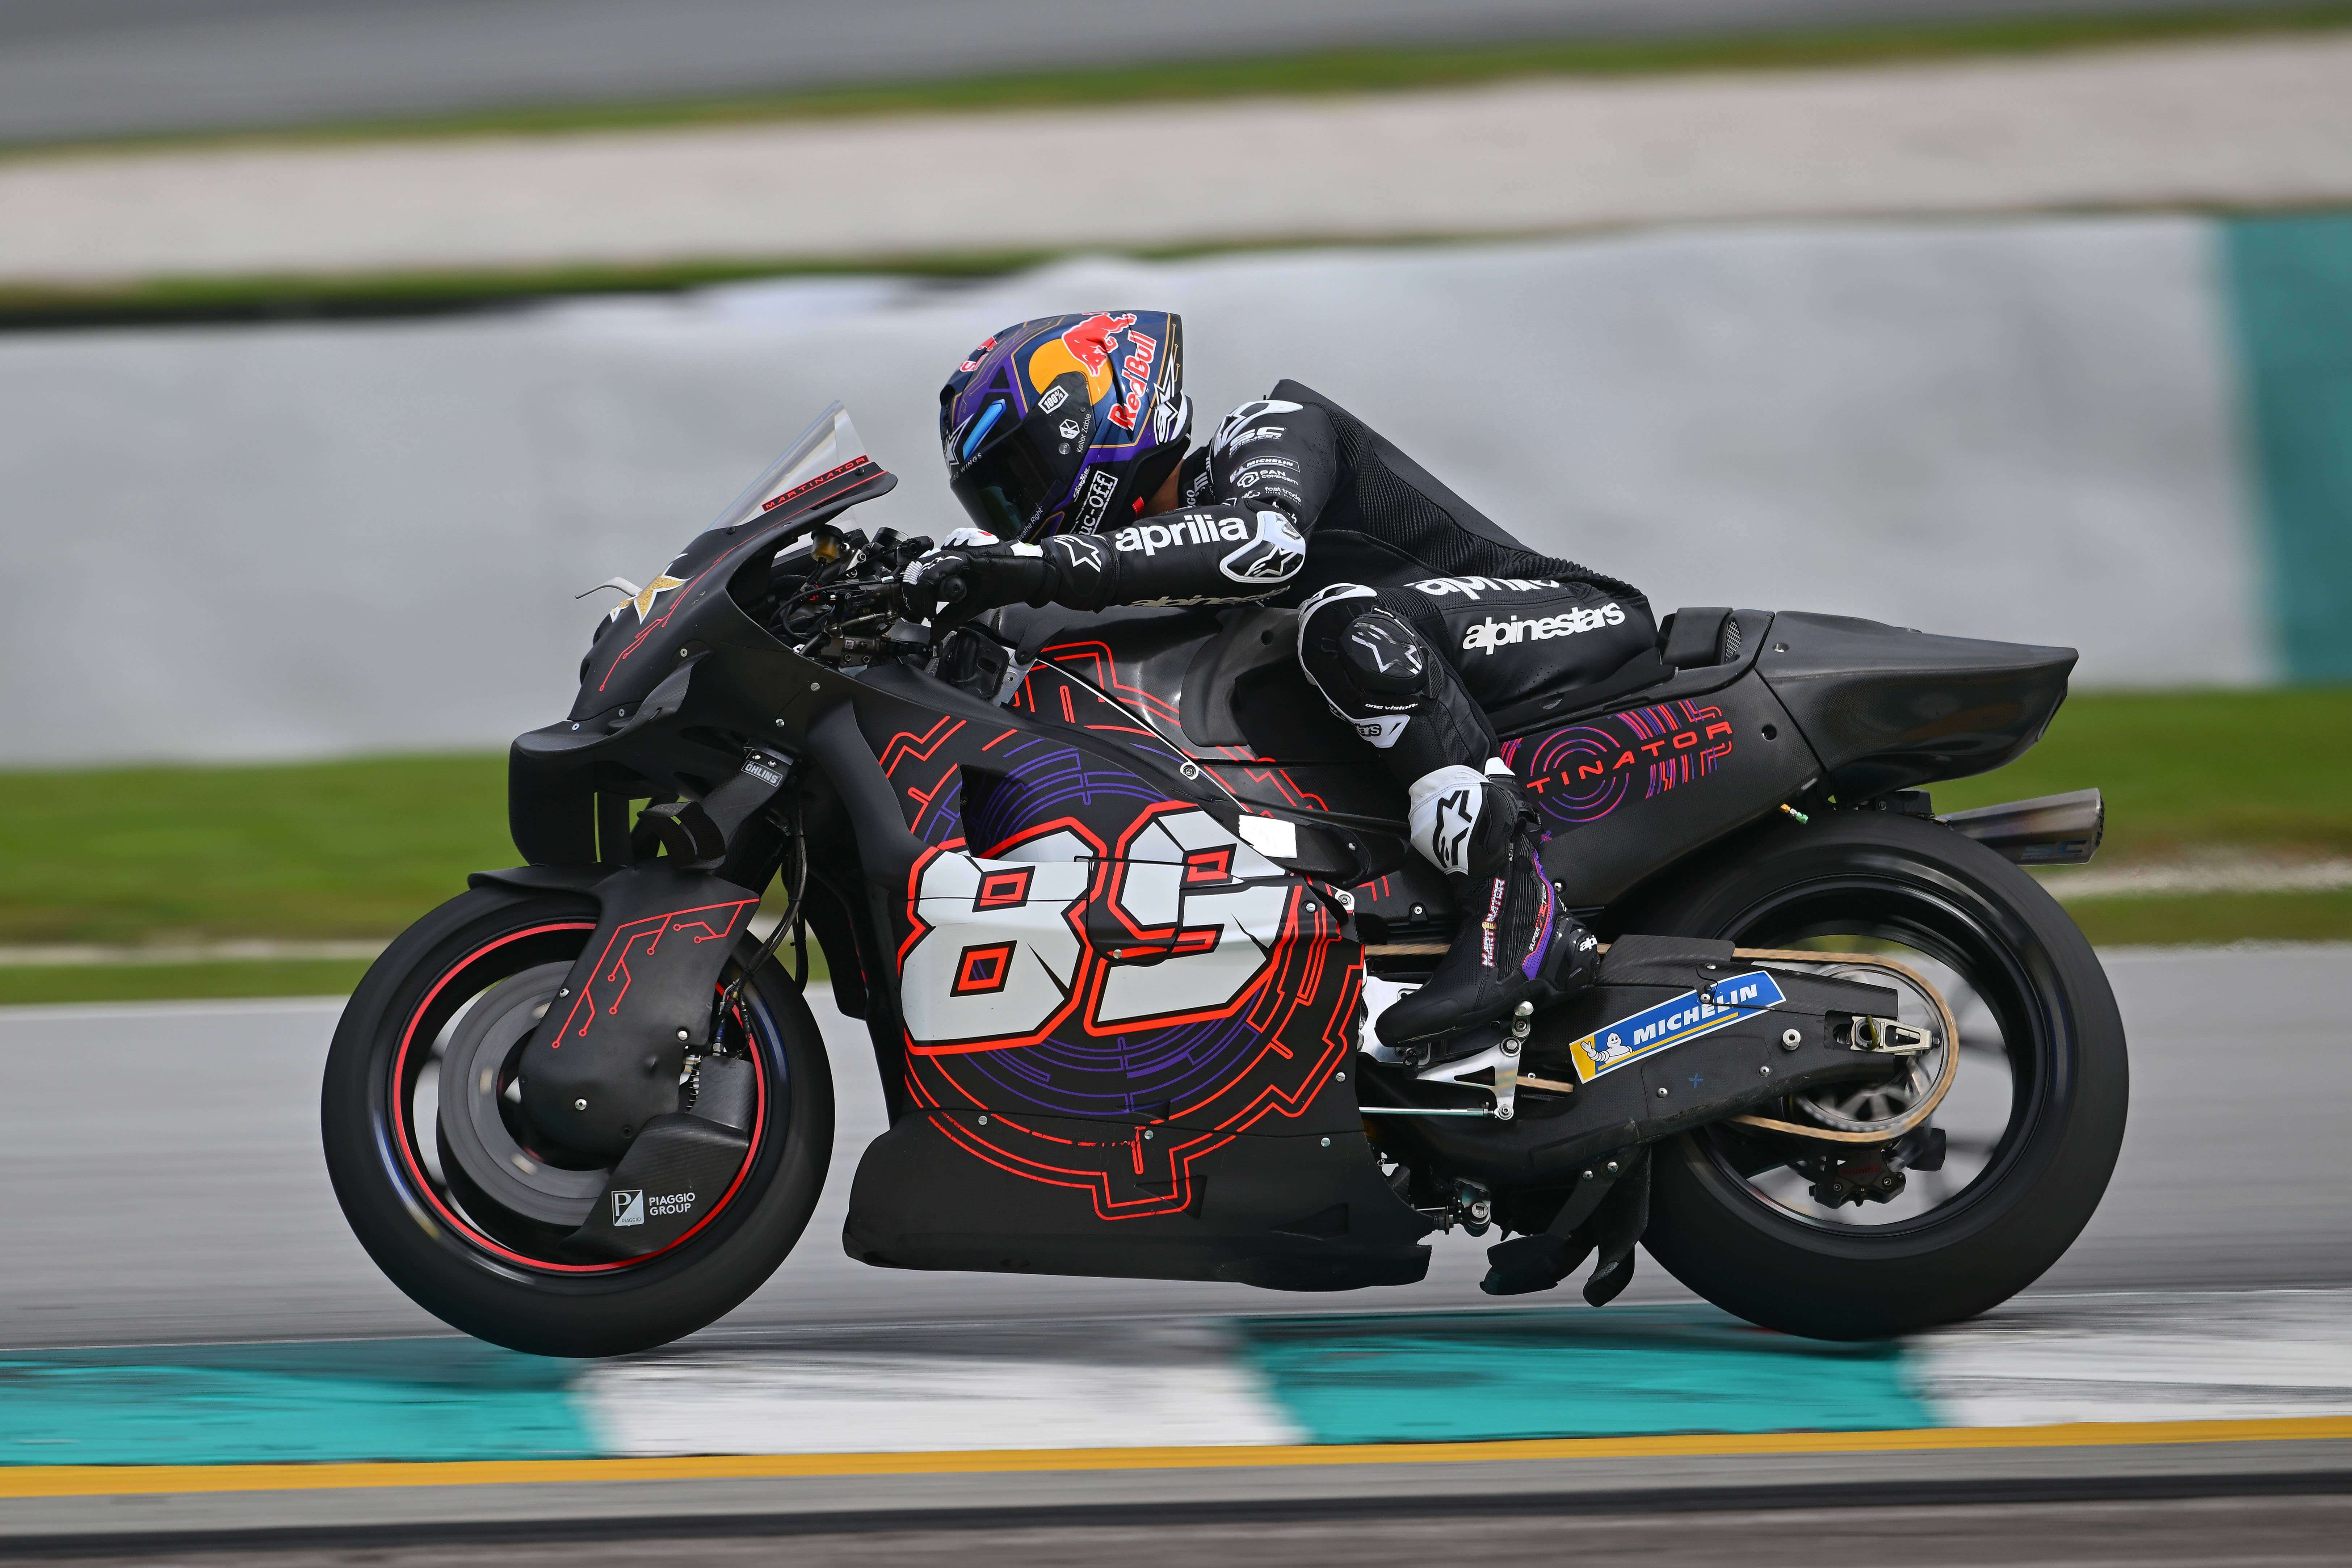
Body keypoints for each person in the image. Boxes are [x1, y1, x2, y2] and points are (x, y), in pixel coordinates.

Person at [906, 311, 1654, 1046]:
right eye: (993, 505)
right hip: (1436, 664)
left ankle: (1518, 913)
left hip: (1570, 616)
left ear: (1095, 421)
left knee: (1344, 624)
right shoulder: (1156, 556)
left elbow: (1266, 541)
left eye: (1019, 483)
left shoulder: (1268, 425)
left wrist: (1037, 568)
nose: (1016, 520)